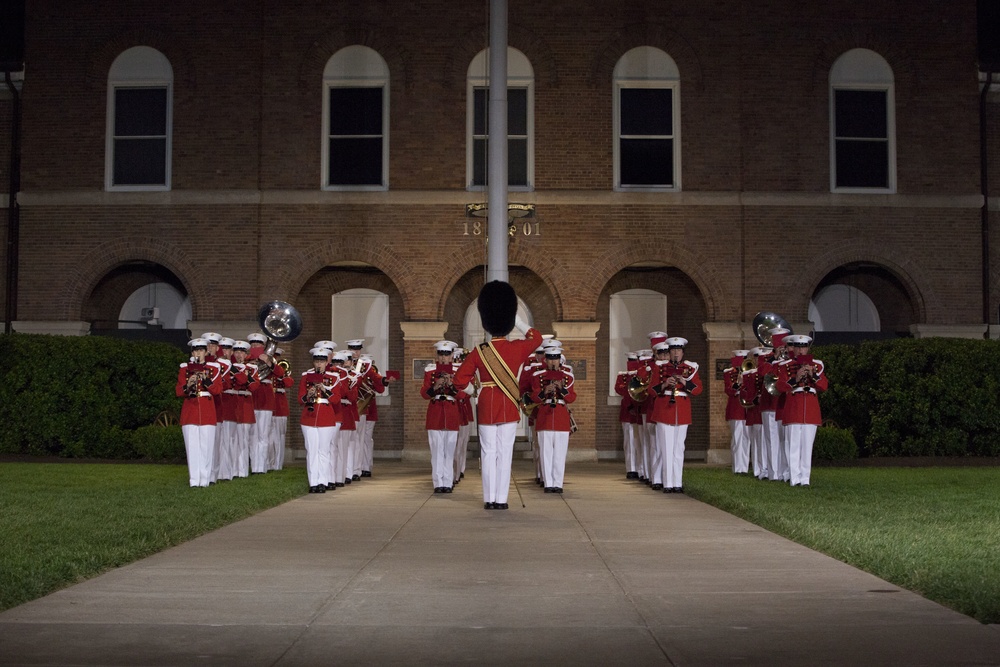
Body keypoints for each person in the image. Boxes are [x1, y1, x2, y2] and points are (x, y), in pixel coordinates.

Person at [453, 281, 542, 510]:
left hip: (486, 404)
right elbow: (537, 339)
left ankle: (489, 498)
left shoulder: (479, 351)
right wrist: (519, 322)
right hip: (509, 406)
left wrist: (476, 391)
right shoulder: (517, 349)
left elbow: (458, 380)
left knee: (488, 452)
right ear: (508, 319)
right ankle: (501, 499)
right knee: (505, 453)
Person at [647, 337, 702, 493]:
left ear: (683, 353)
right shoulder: (660, 368)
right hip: (664, 409)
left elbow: (698, 390)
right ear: (669, 352)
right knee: (665, 448)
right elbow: (651, 391)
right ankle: (667, 483)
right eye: (673, 351)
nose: (676, 354)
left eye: (678, 351)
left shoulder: (690, 369)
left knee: (679, 448)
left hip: (682, 410)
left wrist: (684, 382)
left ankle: (677, 482)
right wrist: (665, 384)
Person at [776, 334, 828, 486]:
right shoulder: (785, 365)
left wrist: (814, 375)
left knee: (807, 446)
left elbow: (824, 386)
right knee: (793, 445)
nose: (800, 351)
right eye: (798, 347)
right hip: (794, 406)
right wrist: (795, 379)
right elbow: (780, 387)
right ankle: (794, 478)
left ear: (807, 348)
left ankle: (805, 479)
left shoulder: (817, 365)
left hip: (810, 408)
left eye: (803, 347)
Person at [175, 338, 222, 487]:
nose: (198, 353)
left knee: (207, 448)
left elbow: (217, 390)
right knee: (192, 447)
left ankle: (205, 480)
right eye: (195, 350)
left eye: (201, 350)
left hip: (207, 410)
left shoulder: (213, 368)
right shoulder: (185, 369)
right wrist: (188, 385)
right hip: (190, 410)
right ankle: (194, 480)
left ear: (206, 351)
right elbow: (178, 391)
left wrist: (206, 380)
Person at [531, 346, 576, 493]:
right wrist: (545, 392)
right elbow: (534, 397)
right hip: (545, 414)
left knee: (560, 453)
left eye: (555, 358)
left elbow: (571, 397)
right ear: (546, 360)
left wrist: (561, 389)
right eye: (550, 359)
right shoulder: (538, 376)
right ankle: (548, 483)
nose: (553, 362)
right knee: (546, 452)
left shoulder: (568, 376)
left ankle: (558, 483)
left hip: (561, 416)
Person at [421, 340, 461, 493]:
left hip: (451, 413)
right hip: (435, 412)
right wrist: (435, 385)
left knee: (449, 451)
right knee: (437, 451)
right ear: (437, 356)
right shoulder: (430, 371)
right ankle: (438, 483)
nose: (444, 358)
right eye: (441, 354)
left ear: (451, 356)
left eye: (447, 354)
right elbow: (424, 393)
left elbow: (462, 394)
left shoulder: (457, 372)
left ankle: (448, 482)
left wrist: (451, 385)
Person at [299, 347, 340, 493]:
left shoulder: (334, 377)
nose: (319, 364)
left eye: (322, 361)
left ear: (326, 362)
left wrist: (325, 389)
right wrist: (309, 394)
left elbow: (336, 399)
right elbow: (300, 399)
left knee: (324, 451)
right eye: (317, 361)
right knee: (312, 451)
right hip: (309, 417)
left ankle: (323, 481)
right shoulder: (306, 376)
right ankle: (313, 482)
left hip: (326, 416)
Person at [230, 341, 259, 478]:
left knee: (244, 440)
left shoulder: (252, 368)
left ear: (246, 354)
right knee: (232, 439)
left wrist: (243, 377)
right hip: (234, 403)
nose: (239, 355)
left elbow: (253, 386)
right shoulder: (229, 367)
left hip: (246, 404)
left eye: (241, 352)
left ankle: (242, 471)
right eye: (236, 352)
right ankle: (233, 469)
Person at [614, 351, 641, 480]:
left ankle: (641, 468)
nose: (632, 364)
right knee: (629, 441)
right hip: (627, 412)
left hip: (640, 411)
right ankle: (631, 468)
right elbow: (620, 389)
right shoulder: (623, 377)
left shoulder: (642, 376)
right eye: (630, 361)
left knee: (640, 442)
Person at [724, 349, 750, 474]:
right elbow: (729, 391)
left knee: (747, 439)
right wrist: (738, 383)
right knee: (737, 439)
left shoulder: (750, 372)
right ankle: (737, 467)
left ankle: (744, 467)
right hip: (736, 408)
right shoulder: (729, 373)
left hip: (748, 408)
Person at [270, 347, 293, 470]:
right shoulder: (267, 371)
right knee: (268, 437)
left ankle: (277, 464)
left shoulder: (282, 370)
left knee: (279, 437)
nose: (275, 359)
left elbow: (289, 383)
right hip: (269, 405)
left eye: (276, 357)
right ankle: (268, 463)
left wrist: (281, 376)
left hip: (280, 408)